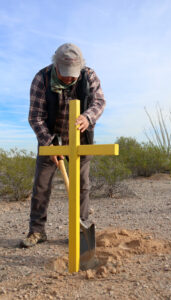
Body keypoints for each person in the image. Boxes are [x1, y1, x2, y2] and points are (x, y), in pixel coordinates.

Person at [20, 43, 105, 247]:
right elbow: (35, 117)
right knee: (41, 185)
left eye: (73, 74)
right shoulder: (42, 78)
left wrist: (88, 117)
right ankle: (37, 231)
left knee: (82, 185)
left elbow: (99, 102)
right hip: (50, 138)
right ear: (55, 65)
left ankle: (79, 229)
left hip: (80, 140)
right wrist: (50, 144)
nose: (69, 78)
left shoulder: (89, 76)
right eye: (65, 73)